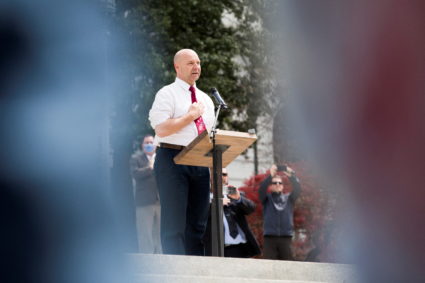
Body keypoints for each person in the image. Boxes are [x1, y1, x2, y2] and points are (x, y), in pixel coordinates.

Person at [148, 49, 215, 255]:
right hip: (172, 159)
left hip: (199, 160)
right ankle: (175, 270)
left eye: (198, 62)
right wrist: (189, 116)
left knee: (197, 224)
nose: (196, 67)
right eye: (190, 63)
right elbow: (161, 129)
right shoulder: (167, 94)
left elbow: (208, 133)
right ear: (177, 67)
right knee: (174, 223)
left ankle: (195, 271)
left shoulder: (206, 99)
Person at [204, 168, 261, 258]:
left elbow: (251, 209)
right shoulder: (205, 197)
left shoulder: (234, 193)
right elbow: (199, 216)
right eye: (217, 174)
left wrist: (239, 199)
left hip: (240, 248)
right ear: (210, 177)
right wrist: (215, 205)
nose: (221, 177)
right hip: (218, 250)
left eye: (224, 174)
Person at [258, 164, 301, 260]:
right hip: (269, 238)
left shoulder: (289, 198)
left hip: (286, 238)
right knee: (269, 266)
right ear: (271, 186)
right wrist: (271, 175)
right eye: (274, 183)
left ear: (282, 186)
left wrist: (291, 175)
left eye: (280, 183)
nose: (277, 184)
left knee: (288, 267)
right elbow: (261, 189)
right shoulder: (266, 199)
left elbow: (298, 188)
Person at [129, 135, 162, 254]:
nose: (149, 144)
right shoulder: (136, 158)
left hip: (160, 201)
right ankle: (146, 259)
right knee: (145, 233)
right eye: (146, 142)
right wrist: (150, 168)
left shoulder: (160, 159)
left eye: (151, 142)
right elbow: (135, 174)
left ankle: (160, 258)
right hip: (144, 202)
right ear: (142, 145)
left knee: (159, 234)